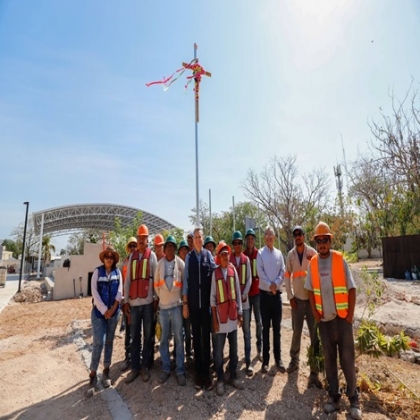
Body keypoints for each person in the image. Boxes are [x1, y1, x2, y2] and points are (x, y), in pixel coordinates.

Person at [305, 222, 361, 420]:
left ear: (330, 241)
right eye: (319, 241)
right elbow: (310, 291)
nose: (322, 244)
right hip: (325, 321)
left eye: (325, 240)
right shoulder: (312, 264)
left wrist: (350, 316)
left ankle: (354, 397)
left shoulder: (339, 259)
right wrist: (316, 314)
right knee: (330, 361)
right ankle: (333, 397)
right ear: (316, 242)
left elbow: (352, 289)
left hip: (342, 320)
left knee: (347, 360)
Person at [285, 226, 322, 388]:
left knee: (314, 335)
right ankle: (294, 360)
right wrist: (290, 296)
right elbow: (287, 277)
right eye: (295, 235)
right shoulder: (290, 255)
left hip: (312, 300)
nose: (297, 237)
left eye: (300, 234)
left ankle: (315, 369)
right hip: (297, 301)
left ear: (304, 236)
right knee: (296, 332)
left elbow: (319, 275)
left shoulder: (313, 253)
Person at [182, 227, 216, 390]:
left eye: (199, 237)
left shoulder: (208, 255)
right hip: (194, 306)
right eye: (194, 237)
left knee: (205, 338)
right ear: (192, 240)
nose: (197, 239)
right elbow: (186, 282)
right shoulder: (189, 258)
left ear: (203, 239)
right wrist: (186, 304)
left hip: (206, 306)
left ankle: (207, 375)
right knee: (196, 338)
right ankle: (198, 374)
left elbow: (215, 273)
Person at [123, 224, 157, 384]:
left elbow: (156, 280)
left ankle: (145, 367)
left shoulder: (152, 257)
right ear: (137, 239)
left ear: (147, 239)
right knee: (134, 336)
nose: (142, 240)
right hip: (135, 304)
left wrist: (156, 299)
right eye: (140, 238)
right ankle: (135, 368)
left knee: (148, 335)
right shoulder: (131, 257)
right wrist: (126, 301)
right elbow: (128, 280)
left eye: (144, 238)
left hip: (148, 303)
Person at [211, 242, 244, 396]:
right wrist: (214, 320)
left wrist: (240, 312)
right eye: (222, 254)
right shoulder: (215, 273)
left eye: (226, 254)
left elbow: (237, 291)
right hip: (220, 318)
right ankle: (220, 379)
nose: (225, 257)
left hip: (232, 317)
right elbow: (212, 298)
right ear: (218, 257)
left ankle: (233, 375)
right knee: (218, 351)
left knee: (234, 349)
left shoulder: (233, 271)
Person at [154, 236, 186, 386]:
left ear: (175, 248)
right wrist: (163, 298)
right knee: (163, 339)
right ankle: (166, 368)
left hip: (177, 307)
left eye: (172, 246)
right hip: (164, 307)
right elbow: (156, 284)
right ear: (165, 249)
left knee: (179, 339)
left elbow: (184, 284)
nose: (170, 249)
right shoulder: (159, 264)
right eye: (168, 247)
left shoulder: (180, 263)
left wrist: (180, 301)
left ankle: (180, 369)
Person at [88, 246, 122, 389]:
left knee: (109, 341)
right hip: (99, 314)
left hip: (113, 313)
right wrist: (104, 310)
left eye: (111, 256)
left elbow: (120, 292)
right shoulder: (97, 272)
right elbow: (94, 293)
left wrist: (113, 309)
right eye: (107, 256)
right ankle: (93, 373)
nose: (109, 258)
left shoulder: (117, 272)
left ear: (114, 259)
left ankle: (106, 371)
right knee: (98, 342)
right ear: (104, 258)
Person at [257, 226, 286, 373]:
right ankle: (266, 361)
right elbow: (260, 272)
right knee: (265, 329)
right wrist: (270, 285)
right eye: (266, 234)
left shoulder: (279, 254)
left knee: (277, 329)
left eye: (271, 234)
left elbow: (283, 270)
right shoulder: (260, 253)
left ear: (274, 237)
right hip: (264, 296)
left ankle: (278, 359)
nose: (268, 236)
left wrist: (277, 283)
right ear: (264, 237)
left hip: (277, 297)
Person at [230, 231, 253, 376]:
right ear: (233, 245)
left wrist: (245, 293)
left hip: (244, 302)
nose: (238, 245)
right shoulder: (229, 259)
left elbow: (249, 279)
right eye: (235, 243)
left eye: (240, 243)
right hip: (232, 303)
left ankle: (248, 361)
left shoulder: (246, 260)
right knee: (233, 334)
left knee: (246, 332)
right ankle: (233, 362)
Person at [243, 228, 262, 362]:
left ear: (254, 240)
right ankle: (247, 352)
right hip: (246, 296)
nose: (250, 241)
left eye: (252, 239)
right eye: (248, 239)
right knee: (246, 325)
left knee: (259, 323)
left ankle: (259, 350)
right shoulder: (243, 256)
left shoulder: (258, 254)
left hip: (257, 294)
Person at [120, 237, 137, 371]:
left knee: (137, 330)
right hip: (127, 301)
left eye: (134, 246)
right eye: (130, 246)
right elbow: (121, 283)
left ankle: (137, 356)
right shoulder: (124, 264)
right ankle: (128, 357)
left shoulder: (140, 261)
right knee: (128, 331)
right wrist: (123, 301)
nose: (132, 248)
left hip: (137, 300)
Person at [177, 239, 193, 365]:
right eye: (182, 249)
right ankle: (178, 354)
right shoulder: (176, 265)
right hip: (178, 303)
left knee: (188, 331)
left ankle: (189, 353)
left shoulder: (189, 264)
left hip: (188, 302)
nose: (184, 251)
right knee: (178, 331)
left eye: (186, 249)